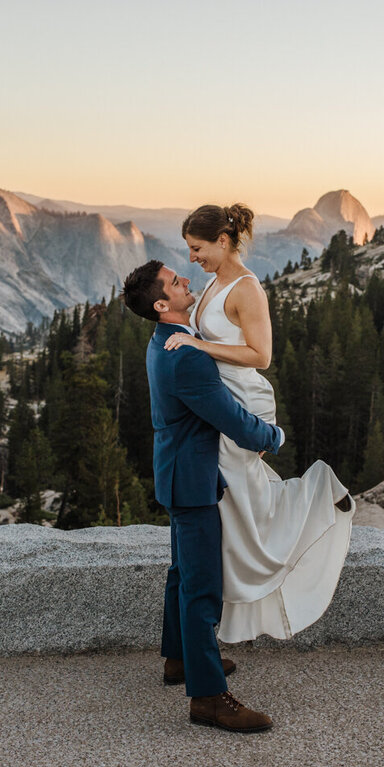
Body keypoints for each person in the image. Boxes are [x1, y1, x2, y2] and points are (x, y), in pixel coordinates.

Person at [165, 203, 354, 644]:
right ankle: (218, 621)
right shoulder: (215, 282)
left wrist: (198, 346)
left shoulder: (247, 289)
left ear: (223, 241)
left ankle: (319, 496)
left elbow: (261, 356)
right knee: (234, 505)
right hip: (219, 400)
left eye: (197, 248)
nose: (192, 258)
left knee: (242, 504)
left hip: (243, 402)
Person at [122, 260, 282, 733]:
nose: (186, 280)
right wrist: (271, 437)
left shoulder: (163, 341)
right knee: (202, 588)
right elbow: (229, 418)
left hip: (177, 473)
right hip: (192, 483)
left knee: (181, 574)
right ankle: (209, 698)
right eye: (175, 281)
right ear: (161, 304)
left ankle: (179, 662)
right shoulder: (186, 356)